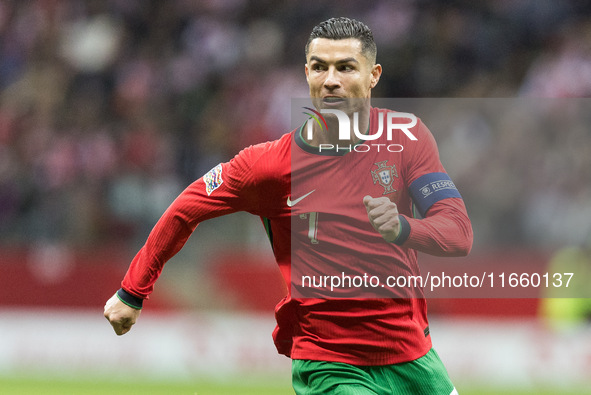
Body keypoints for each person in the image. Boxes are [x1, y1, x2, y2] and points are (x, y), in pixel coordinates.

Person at [104, 17, 473, 395]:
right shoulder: (269, 165)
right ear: (307, 74)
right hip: (331, 364)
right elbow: (187, 208)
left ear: (373, 74)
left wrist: (404, 228)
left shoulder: (408, 139)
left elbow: (458, 232)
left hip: (415, 359)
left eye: (345, 67)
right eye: (319, 67)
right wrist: (132, 291)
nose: (331, 79)